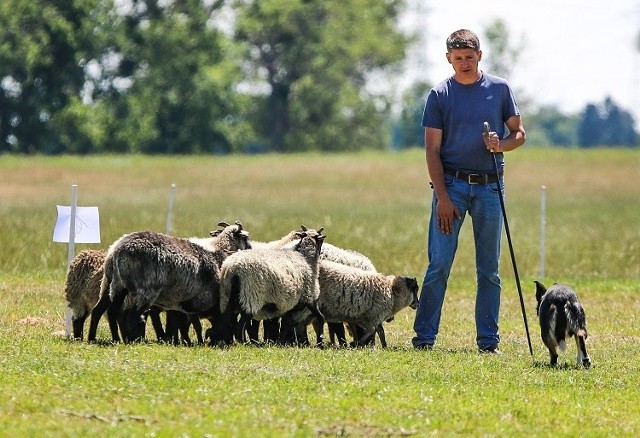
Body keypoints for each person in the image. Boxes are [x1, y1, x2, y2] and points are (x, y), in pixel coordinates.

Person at [412, 29, 526, 354]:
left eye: (469, 57)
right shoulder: (439, 95)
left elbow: (519, 134)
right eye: (458, 58)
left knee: (489, 269)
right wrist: (443, 199)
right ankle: (423, 339)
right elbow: (432, 150)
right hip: (452, 186)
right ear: (448, 58)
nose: (464, 63)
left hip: (491, 186)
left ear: (480, 55)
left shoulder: (500, 89)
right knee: (439, 265)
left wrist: (500, 144)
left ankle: (488, 343)